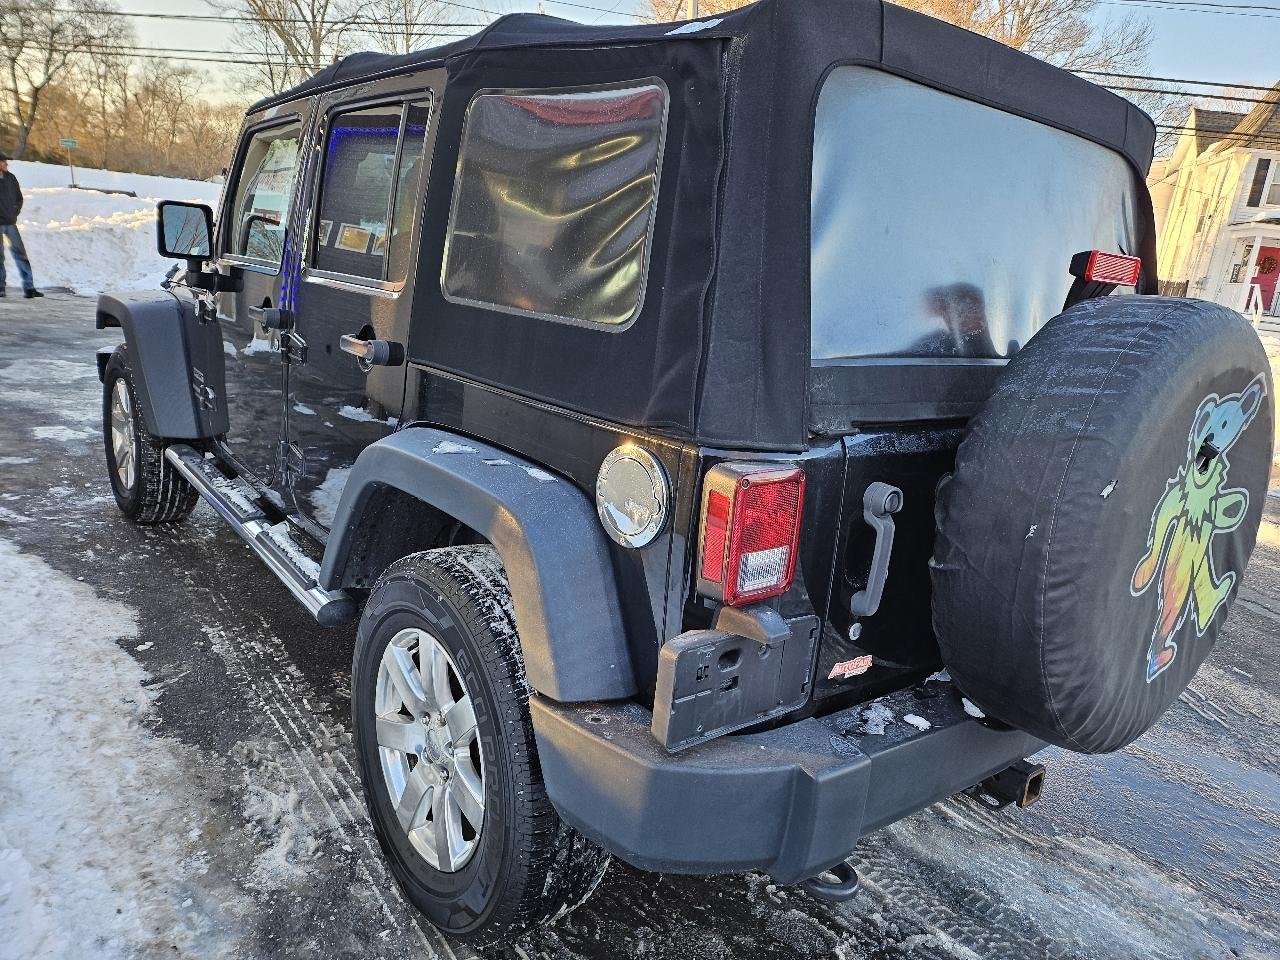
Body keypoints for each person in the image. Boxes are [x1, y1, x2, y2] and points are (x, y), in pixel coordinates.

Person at [0, 152, 42, 299]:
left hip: (11, 223)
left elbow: (19, 198)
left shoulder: (11, 178)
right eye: (3, 161)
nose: (6, 164)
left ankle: (29, 288)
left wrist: (14, 212)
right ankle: (0, 288)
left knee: (20, 255)